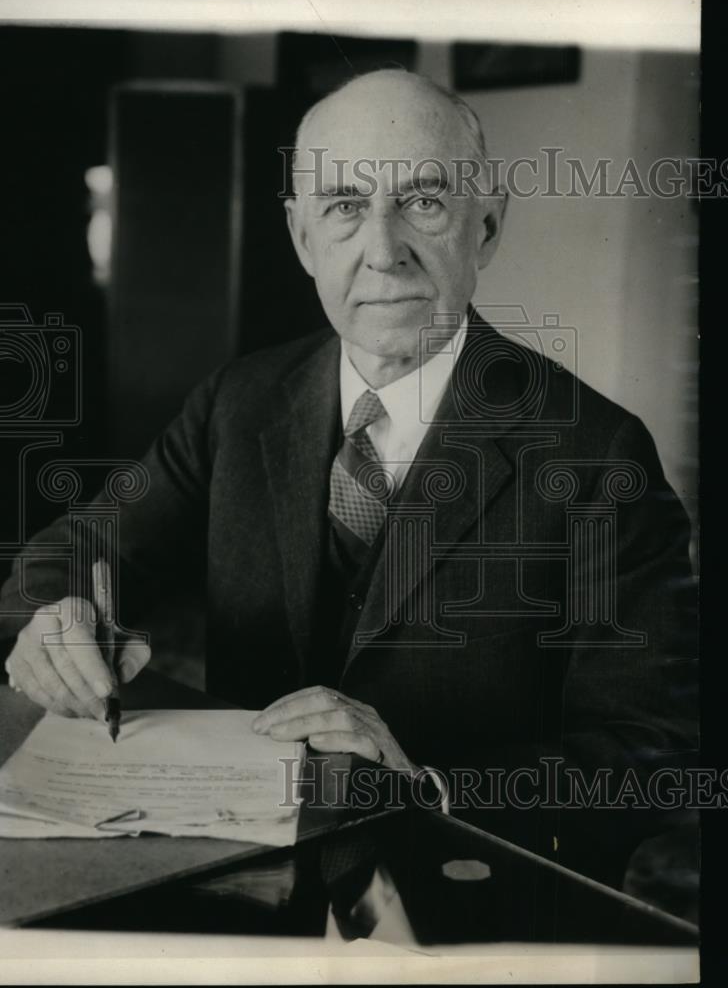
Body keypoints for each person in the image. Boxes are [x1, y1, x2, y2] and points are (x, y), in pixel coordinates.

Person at [0, 71, 697, 887]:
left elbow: (652, 753)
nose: (383, 250)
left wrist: (427, 786)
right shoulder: (239, 402)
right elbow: (75, 551)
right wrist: (55, 615)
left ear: (486, 227)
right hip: (237, 877)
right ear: (302, 239)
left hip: (464, 894)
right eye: (343, 206)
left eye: (424, 202)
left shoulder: (598, 454)